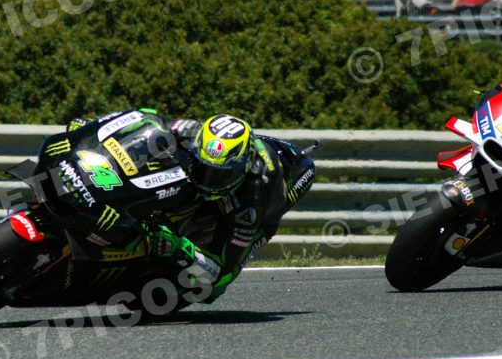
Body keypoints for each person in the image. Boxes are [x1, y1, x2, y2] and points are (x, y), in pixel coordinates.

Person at [52, 112, 316, 314]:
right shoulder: (189, 131)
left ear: (242, 169)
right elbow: (143, 119)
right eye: (204, 168)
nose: (209, 180)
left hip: (262, 206)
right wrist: (90, 130)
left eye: (220, 175)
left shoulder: (252, 204)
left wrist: (179, 246)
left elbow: (218, 276)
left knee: (198, 289)